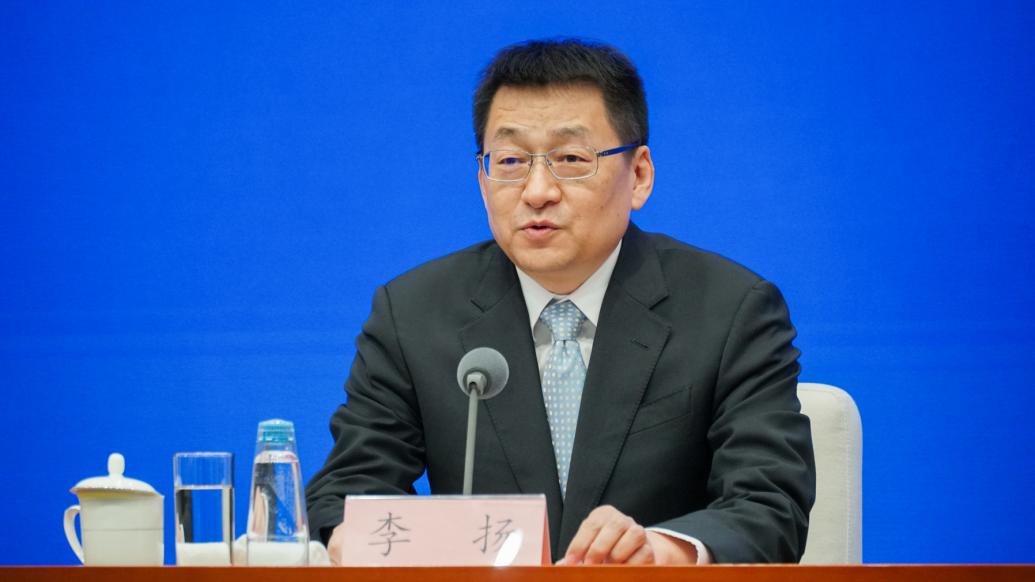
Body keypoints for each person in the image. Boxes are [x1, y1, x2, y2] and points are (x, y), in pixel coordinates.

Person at [305, 38, 815, 565]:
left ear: (639, 175)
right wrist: (352, 535)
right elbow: (349, 490)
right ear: (482, 178)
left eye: (571, 159)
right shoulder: (413, 313)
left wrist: (663, 551)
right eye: (510, 160)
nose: (537, 191)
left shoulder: (730, 310)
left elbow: (769, 503)